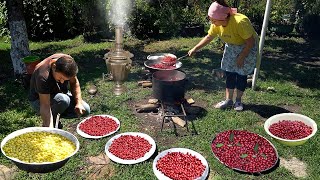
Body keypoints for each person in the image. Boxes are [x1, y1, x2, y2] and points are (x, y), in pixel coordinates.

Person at [188, 0, 258, 111]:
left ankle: (238, 101)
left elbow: (250, 42)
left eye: (213, 20)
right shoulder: (216, 24)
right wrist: (195, 49)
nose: (211, 22)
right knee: (229, 73)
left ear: (224, 18)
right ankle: (228, 101)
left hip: (246, 47)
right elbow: (208, 37)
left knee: (241, 74)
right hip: (231, 47)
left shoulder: (240, 22)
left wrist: (242, 56)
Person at [28, 53, 90, 128]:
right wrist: (49, 128)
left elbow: (74, 82)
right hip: (38, 101)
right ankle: (53, 123)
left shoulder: (69, 63)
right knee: (63, 100)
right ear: (54, 67)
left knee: (86, 109)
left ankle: (57, 114)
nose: (62, 82)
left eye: (65, 79)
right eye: (61, 78)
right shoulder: (43, 76)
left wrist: (78, 103)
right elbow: (45, 105)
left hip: (59, 95)